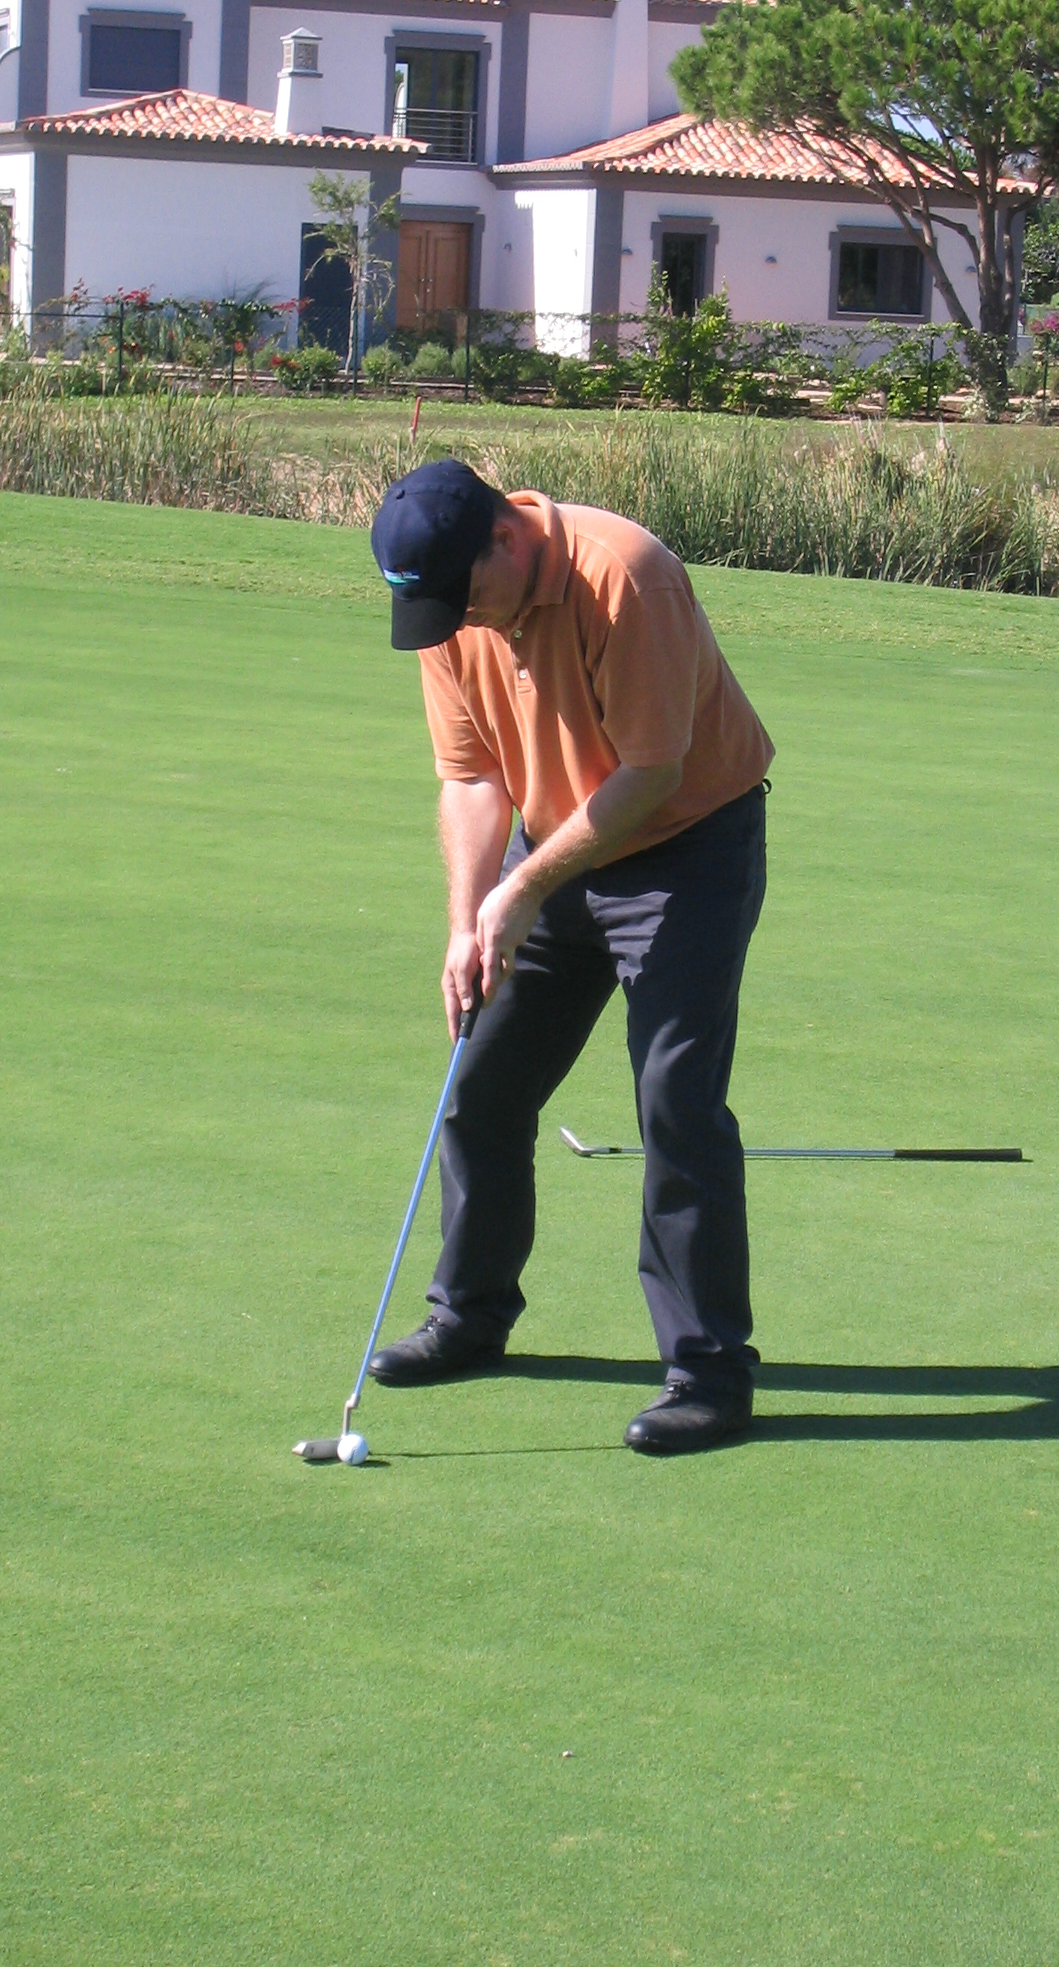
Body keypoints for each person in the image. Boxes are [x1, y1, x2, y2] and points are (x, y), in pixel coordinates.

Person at [366, 459, 774, 1454]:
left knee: (675, 1100)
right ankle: (470, 1314)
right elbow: (470, 777)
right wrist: (469, 920)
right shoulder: (454, 608)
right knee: (483, 1083)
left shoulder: (624, 575)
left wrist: (522, 889)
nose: (458, 620)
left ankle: (709, 1373)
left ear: (506, 538)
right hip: (552, 848)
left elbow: (651, 774)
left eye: (465, 597)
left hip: (684, 848)